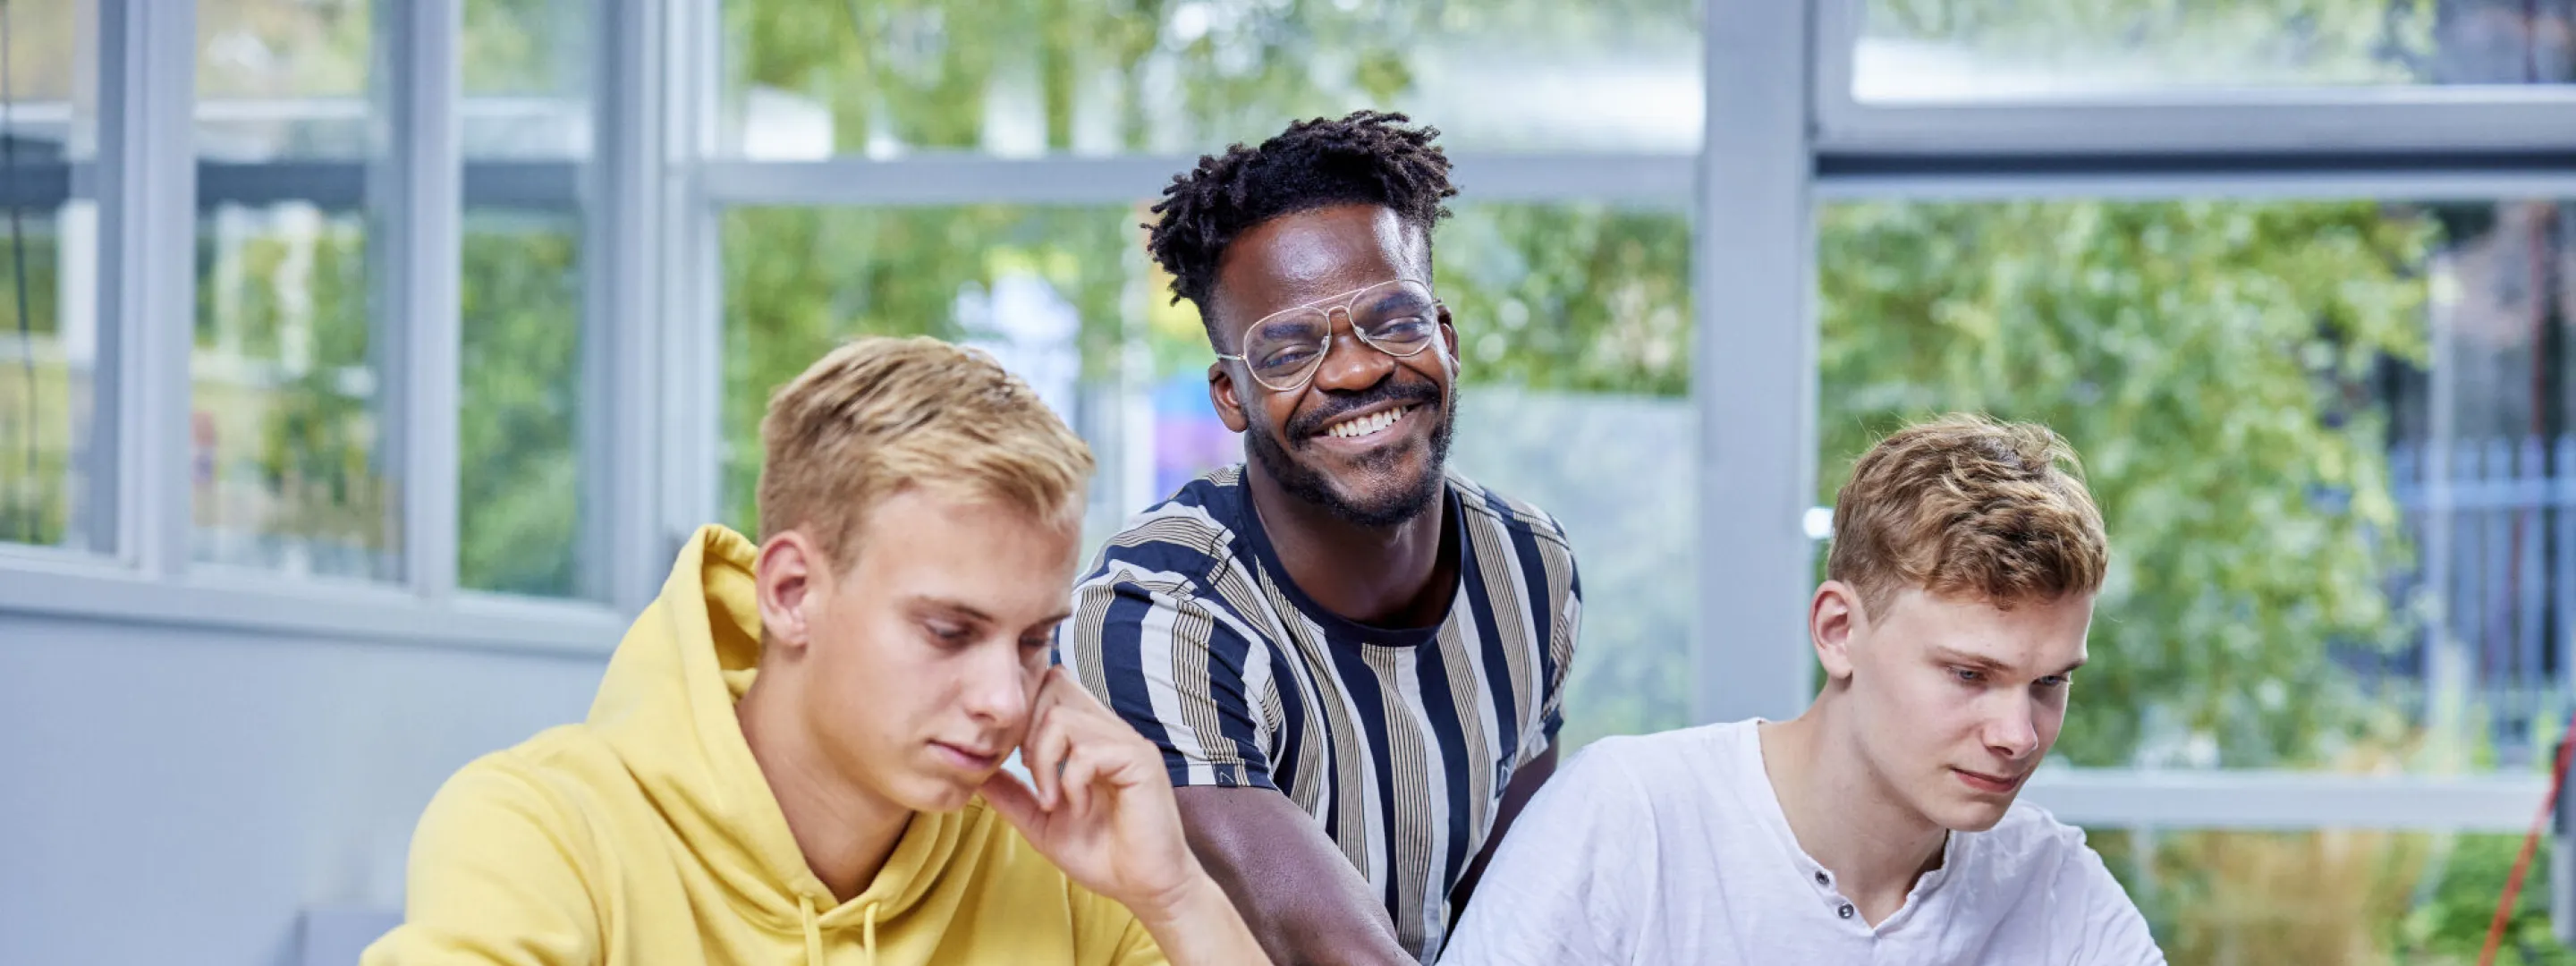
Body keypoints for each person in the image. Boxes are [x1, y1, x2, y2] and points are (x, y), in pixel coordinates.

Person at [364, 337, 1269, 966]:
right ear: (793, 591)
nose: (1004, 699)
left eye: (1035, 640)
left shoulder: (1065, 868)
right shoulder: (543, 830)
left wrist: (1176, 896)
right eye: (949, 632)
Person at [1055, 112, 1580, 965]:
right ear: (1230, 396)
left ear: (1446, 339)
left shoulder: (1529, 567)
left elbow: (1514, 922)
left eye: (1395, 320)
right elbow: (1328, 951)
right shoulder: (1157, 613)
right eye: (1289, 349)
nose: (1357, 368)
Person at [1442, 414, 2165, 965]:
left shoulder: (2053, 887)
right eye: (1969, 675)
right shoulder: (1630, 818)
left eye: (2050, 682)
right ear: (1838, 630)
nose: (2018, 735)